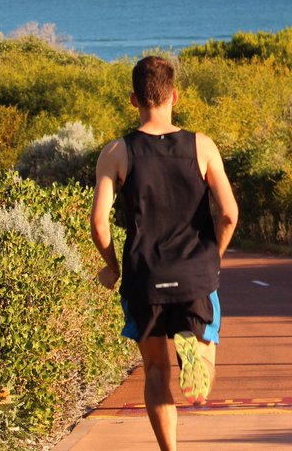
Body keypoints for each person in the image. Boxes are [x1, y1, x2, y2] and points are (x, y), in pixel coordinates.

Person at [90, 55, 238, 451]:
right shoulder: (202, 146)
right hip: (194, 276)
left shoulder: (116, 152)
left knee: (155, 371)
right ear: (175, 96)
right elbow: (228, 213)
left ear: (133, 99)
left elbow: (99, 222)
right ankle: (193, 351)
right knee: (202, 364)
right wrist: (213, 259)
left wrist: (112, 267)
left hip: (144, 277)